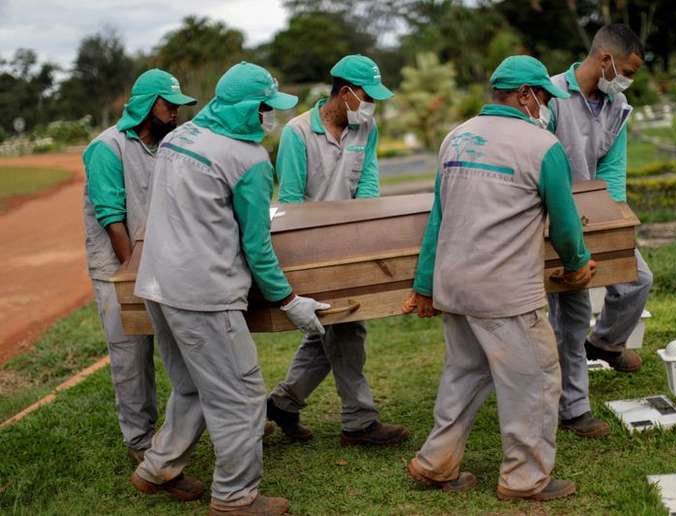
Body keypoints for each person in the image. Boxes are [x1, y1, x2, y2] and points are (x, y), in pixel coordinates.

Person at [129, 62, 329, 516]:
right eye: (264, 108)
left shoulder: (178, 139)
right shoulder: (250, 161)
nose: (268, 117)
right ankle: (236, 497)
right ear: (244, 108)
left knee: (192, 385)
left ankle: (157, 468)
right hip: (204, 294)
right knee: (239, 397)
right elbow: (257, 246)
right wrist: (289, 300)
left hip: (157, 284)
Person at [402, 55, 595, 502]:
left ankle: (436, 463)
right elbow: (565, 224)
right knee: (536, 381)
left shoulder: (456, 137)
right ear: (527, 95)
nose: (546, 106)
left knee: (465, 374)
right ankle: (525, 479)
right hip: (506, 291)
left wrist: (425, 284)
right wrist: (576, 263)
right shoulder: (542, 146)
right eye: (544, 96)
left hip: (456, 284)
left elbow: (438, 218)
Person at [267, 54, 409, 446]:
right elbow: (292, 200)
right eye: (368, 96)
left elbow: (368, 183)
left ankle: (284, 403)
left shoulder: (367, 127)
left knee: (328, 330)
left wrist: (364, 234)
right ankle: (359, 422)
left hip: (349, 241)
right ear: (345, 92)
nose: (372, 105)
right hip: (309, 248)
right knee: (347, 329)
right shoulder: (297, 134)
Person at [81, 68, 196, 464]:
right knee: (131, 355)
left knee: (187, 343)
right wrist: (133, 275)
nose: (176, 113)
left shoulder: (167, 146)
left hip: (162, 264)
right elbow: (112, 217)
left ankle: (210, 419)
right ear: (149, 105)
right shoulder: (107, 148)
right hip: (118, 267)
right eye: (170, 105)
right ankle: (140, 439)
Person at [547, 24, 653, 439]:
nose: (629, 79)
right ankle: (573, 408)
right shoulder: (551, 95)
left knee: (637, 278)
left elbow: (612, 170)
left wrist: (611, 225)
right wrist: (564, 224)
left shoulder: (617, 103)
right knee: (570, 310)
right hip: (553, 219)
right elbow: (537, 161)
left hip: (594, 214)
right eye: (628, 70)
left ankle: (605, 344)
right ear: (606, 59)